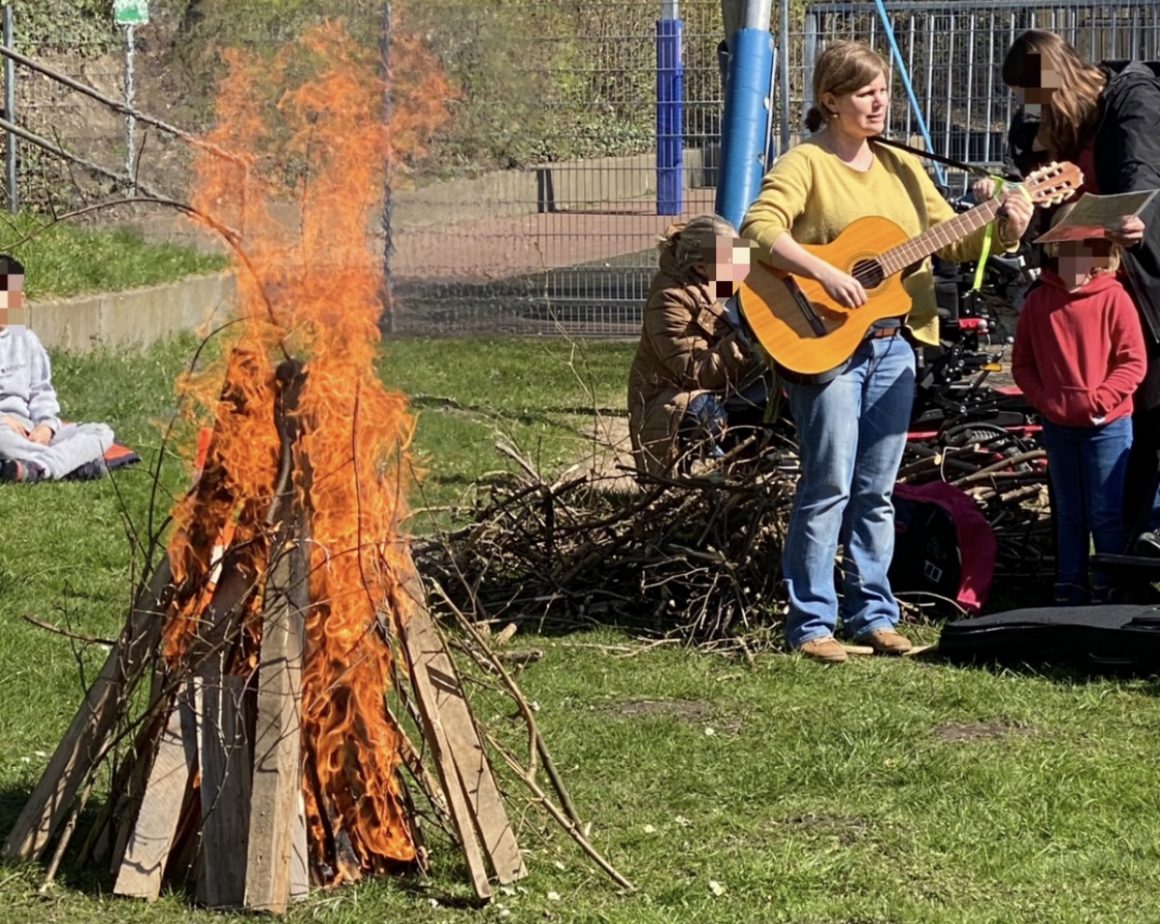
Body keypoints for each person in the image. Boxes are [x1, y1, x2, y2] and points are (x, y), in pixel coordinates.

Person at [739, 40, 1033, 663]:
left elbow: (951, 242)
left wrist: (1005, 223)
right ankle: (811, 624)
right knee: (827, 487)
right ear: (831, 100)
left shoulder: (902, 167)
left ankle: (874, 614)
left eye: (883, 92)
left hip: (893, 346)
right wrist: (822, 273)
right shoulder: (806, 164)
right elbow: (758, 230)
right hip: (824, 344)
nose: (879, 103)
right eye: (866, 92)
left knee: (876, 490)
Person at [997, 30, 1160, 551]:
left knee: (1148, 415)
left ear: (1054, 83)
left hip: (1137, 282)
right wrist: (1012, 200)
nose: (1028, 110)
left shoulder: (1131, 96)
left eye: (1033, 97)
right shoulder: (1038, 127)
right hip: (1079, 288)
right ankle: (1094, 563)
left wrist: (1136, 222)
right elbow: (1037, 197)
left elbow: (1142, 175)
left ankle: (1137, 543)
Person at [1012, 204, 1146, 603]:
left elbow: (1132, 360)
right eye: (1070, 246)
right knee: (1069, 513)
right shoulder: (1039, 302)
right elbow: (1023, 363)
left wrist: (1101, 399)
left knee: (1105, 512)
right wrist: (1045, 401)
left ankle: (1109, 584)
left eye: (1088, 246)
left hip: (1108, 425)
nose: (1078, 257)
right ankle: (1069, 583)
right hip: (1059, 425)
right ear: (1055, 249)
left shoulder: (1115, 298)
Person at [627, 214, 769, 477]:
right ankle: (688, 477)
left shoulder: (721, 278)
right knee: (707, 415)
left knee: (784, 392)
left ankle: (750, 469)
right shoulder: (669, 298)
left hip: (728, 384)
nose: (741, 262)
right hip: (673, 399)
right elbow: (694, 370)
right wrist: (745, 340)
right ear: (701, 267)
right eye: (731, 256)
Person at [0, 254, 115, 482]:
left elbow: (42, 391)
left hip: (29, 430)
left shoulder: (27, 340)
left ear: (20, 301)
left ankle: (39, 467)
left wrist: (46, 427)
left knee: (101, 432)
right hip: (3, 430)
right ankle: (63, 467)